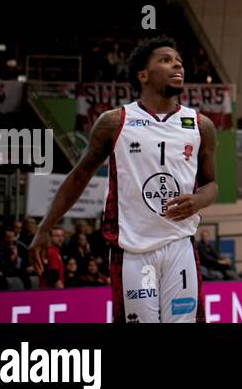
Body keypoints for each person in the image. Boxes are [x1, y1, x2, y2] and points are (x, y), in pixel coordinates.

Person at [30, 35, 217, 323]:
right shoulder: (115, 122)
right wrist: (45, 228)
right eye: (166, 60)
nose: (177, 64)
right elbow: (79, 176)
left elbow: (212, 184)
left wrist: (199, 200)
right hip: (133, 250)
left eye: (178, 60)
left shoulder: (201, 126)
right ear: (143, 75)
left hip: (180, 244)